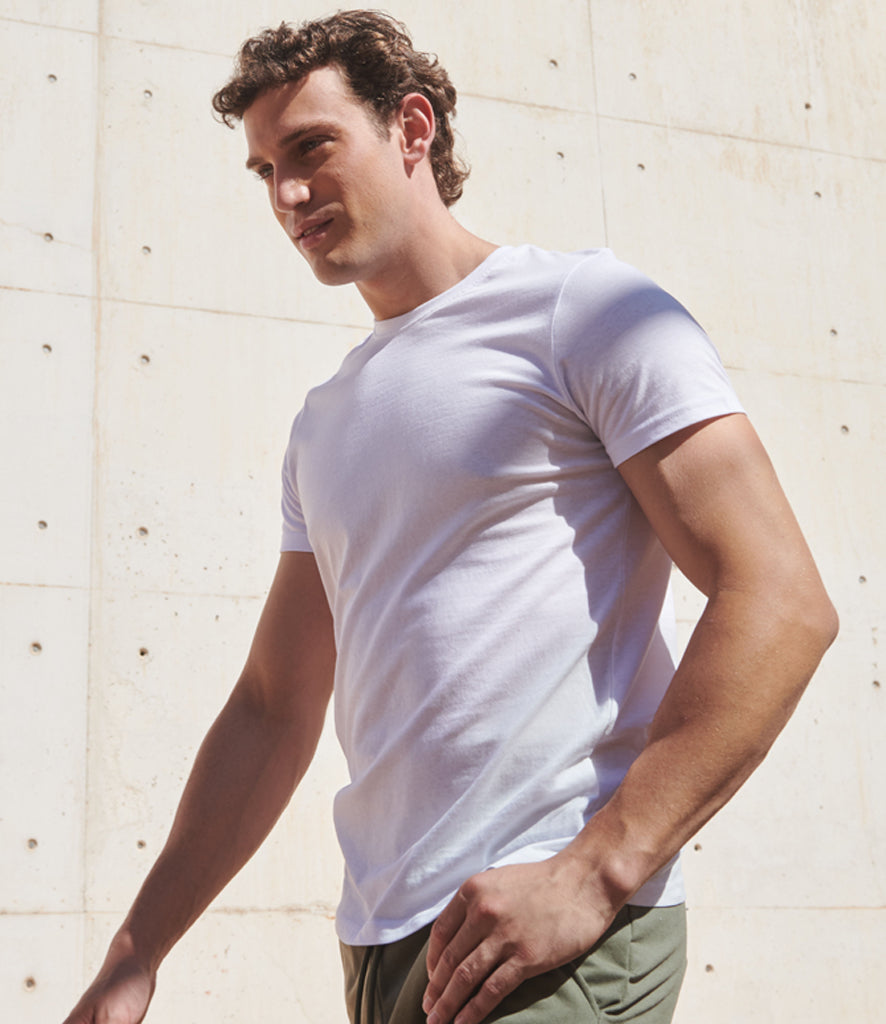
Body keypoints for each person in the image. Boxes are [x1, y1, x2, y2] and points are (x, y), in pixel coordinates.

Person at [62, 11, 838, 1024]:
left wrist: (598, 868)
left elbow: (781, 598)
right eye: (264, 171)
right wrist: (136, 954)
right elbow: (270, 705)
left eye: (311, 148)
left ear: (412, 127)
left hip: (545, 929)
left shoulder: (581, 312)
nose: (287, 194)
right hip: (386, 940)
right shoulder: (325, 421)